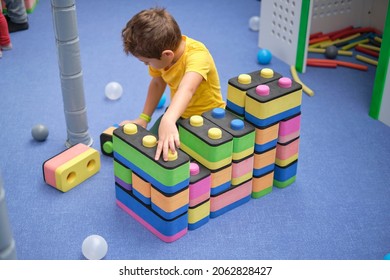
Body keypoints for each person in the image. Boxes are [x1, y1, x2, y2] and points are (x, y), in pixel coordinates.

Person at [121, 7, 225, 161]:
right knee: (150, 150)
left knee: (190, 161)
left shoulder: (198, 56)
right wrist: (144, 118)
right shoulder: (161, 55)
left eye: (147, 62)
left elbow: (187, 89)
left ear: (167, 55)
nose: (147, 65)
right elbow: (157, 82)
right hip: (179, 114)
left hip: (209, 120)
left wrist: (168, 119)